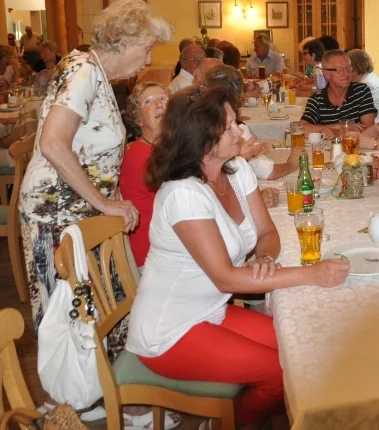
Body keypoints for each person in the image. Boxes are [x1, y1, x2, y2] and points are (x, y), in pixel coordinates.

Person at [126, 87, 350, 427]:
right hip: (170, 330)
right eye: (229, 125)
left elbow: (267, 233)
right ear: (202, 137)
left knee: (298, 348)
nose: (240, 131)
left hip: (210, 311)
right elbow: (227, 278)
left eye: (236, 121)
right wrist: (312, 274)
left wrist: (264, 258)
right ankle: (225, 425)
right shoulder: (183, 194)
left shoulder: (235, 170)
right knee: (279, 372)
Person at [20, 0, 171, 347]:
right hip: (56, 212)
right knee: (68, 315)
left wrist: (112, 193)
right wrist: (103, 201)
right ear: (126, 41)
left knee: (95, 311)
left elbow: (88, 150)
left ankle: (98, 393)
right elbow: (53, 143)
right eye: (147, 49)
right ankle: (70, 399)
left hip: (78, 209)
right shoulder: (83, 70)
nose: (148, 60)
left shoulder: (96, 74)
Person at [205, 64, 302, 180]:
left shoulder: (193, 118)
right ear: (240, 94)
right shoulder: (235, 130)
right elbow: (269, 172)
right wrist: (290, 165)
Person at [119, 82, 169, 268]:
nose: (159, 104)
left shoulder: (164, 147)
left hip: (168, 240)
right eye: (149, 101)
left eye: (163, 99)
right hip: (153, 254)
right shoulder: (141, 157)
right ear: (138, 119)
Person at [301, 50, 376, 138]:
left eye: (348, 68)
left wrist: (340, 131)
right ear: (327, 74)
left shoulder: (361, 91)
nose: (346, 74)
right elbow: (302, 128)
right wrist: (337, 126)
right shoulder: (317, 100)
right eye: (340, 70)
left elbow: (369, 128)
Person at [347, 49, 379, 122]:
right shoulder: (369, 77)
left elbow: (354, 112)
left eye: (346, 68)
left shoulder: (367, 84)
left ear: (354, 70)